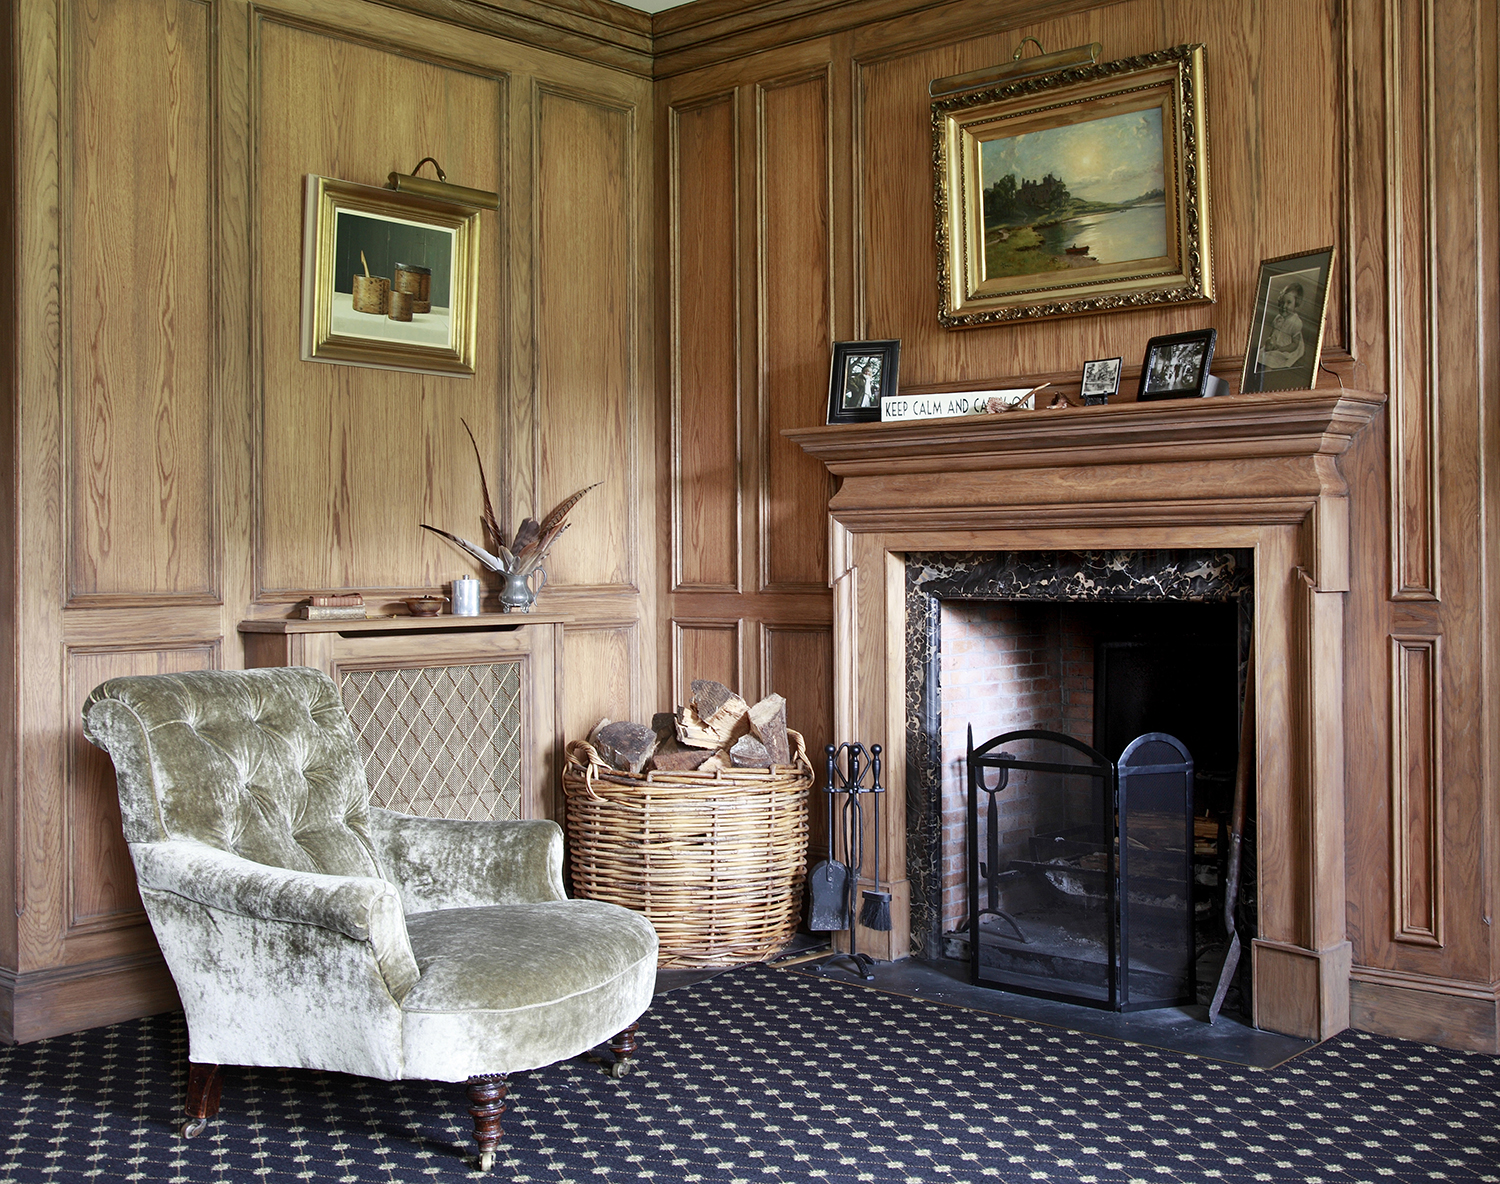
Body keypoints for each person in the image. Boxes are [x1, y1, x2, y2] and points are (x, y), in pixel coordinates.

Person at [1258, 282, 1306, 371]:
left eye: (1288, 303)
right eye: (1282, 302)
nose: (1284, 306)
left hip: (1287, 348)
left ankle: (1267, 377)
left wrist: (1281, 348)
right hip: (1276, 345)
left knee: (1271, 359)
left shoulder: (1295, 322)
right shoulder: (1278, 318)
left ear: (1296, 304)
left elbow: (1295, 344)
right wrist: (1270, 342)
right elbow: (1272, 334)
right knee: (1261, 355)